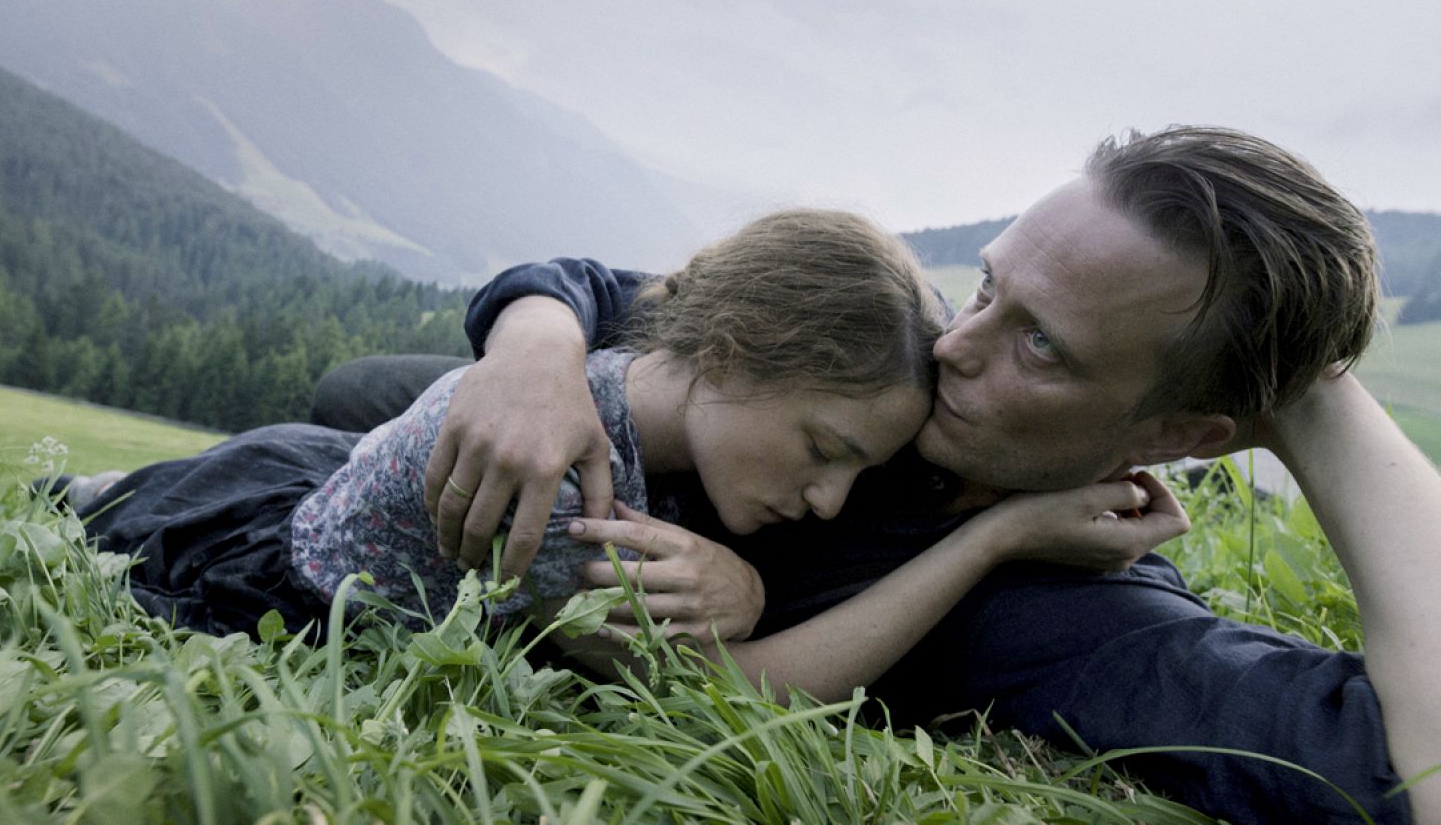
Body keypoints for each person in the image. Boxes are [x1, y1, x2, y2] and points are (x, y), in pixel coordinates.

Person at [313, 127, 1441, 823]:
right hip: (548, 453)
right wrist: (530, 347)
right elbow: (650, 294)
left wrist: (1319, 404)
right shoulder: (920, 368)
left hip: (537, 579)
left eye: (1039, 345)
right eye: (989, 286)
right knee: (358, 391)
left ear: (1184, 436)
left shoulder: (1086, 617)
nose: (957, 343)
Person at [71, 209, 1185, 700]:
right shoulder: (566, 486)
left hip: (311, 482)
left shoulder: (641, 387)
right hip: (268, 572)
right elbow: (731, 699)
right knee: (111, 520)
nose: (829, 496)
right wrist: (994, 539)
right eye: (823, 450)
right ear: (737, 349)